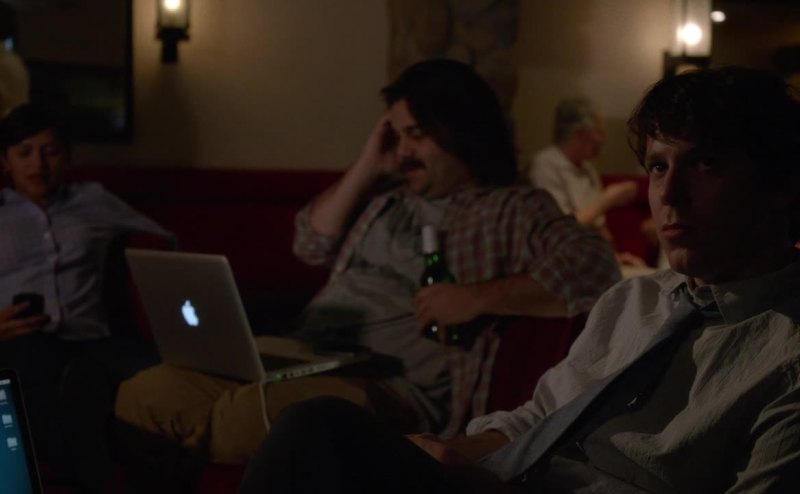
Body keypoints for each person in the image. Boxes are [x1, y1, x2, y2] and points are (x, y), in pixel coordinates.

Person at [238, 66, 800, 493]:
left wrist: (475, 299)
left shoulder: (786, 351)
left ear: (780, 186)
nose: (669, 194)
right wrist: (453, 451)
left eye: (706, 164)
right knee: (317, 433)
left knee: (312, 425)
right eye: (657, 166)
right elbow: (538, 417)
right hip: (504, 470)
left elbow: (584, 262)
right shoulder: (635, 301)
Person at [113, 59, 619, 474]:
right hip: (299, 355)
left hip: (386, 385)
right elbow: (309, 242)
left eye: (416, 134)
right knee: (142, 392)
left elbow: (594, 267)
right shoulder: (385, 201)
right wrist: (368, 163)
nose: (403, 150)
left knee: (245, 417)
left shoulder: (510, 208)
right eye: (395, 135)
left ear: (459, 131)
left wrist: (477, 297)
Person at [0, 103, 174, 486]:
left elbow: (164, 242)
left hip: (93, 338)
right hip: (22, 338)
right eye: (24, 153)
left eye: (51, 151)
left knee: (167, 366)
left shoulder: (93, 200)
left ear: (67, 157)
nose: (38, 164)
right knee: (41, 366)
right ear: (5, 161)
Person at [530, 98, 646, 267]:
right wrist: (608, 199)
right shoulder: (545, 164)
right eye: (599, 132)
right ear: (579, 134)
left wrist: (615, 258)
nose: (602, 140)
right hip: (563, 261)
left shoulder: (587, 168)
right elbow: (562, 228)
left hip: (593, 260)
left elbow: (600, 227)